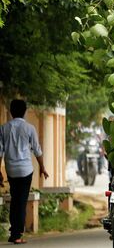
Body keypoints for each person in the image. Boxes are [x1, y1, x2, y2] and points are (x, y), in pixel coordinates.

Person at [0, 99, 49, 244]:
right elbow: (37, 150)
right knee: (21, 201)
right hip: (26, 170)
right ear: (25, 111)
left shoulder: (3, 128)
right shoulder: (29, 128)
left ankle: (14, 231)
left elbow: (0, 151)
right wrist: (42, 167)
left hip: (11, 169)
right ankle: (17, 234)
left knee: (15, 200)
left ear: (11, 111)